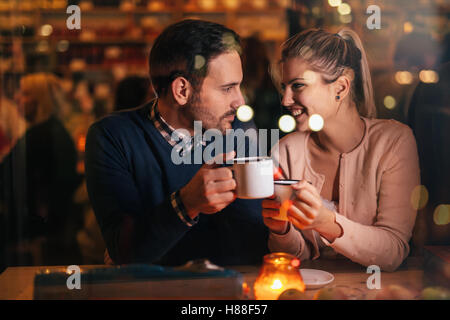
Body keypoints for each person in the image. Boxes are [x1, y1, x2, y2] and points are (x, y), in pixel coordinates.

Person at [85, 20, 269, 266]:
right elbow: (125, 253)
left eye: (239, 87)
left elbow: (253, 241)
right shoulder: (112, 138)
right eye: (228, 89)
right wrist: (186, 204)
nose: (240, 102)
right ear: (182, 90)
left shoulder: (238, 129)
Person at [262, 29, 420, 272]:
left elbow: (394, 251)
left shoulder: (394, 142)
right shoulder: (285, 151)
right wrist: (280, 229)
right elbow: (297, 258)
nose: (285, 100)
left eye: (298, 86)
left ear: (341, 87)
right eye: (285, 87)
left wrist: (327, 222)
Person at [0, 73, 82, 267]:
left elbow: (5, 177)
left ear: (40, 101)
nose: (18, 98)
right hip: (52, 223)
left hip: (36, 225)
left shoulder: (39, 135)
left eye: (26, 94)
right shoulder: (54, 129)